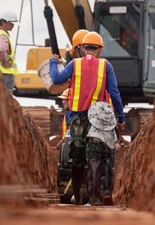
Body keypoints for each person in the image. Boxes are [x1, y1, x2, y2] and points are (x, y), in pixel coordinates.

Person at [49, 31, 125, 206]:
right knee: (95, 157)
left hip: (78, 119)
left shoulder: (74, 64)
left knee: (77, 158)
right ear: (100, 49)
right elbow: (114, 93)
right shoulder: (106, 66)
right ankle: (94, 200)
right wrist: (120, 117)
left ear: (82, 48)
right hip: (98, 119)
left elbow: (56, 78)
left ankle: (77, 196)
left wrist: (53, 62)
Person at [0, 11, 19, 91]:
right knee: (6, 100)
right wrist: (5, 64)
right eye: (10, 22)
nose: (13, 25)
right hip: (5, 73)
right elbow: (2, 51)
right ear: (3, 22)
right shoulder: (3, 35)